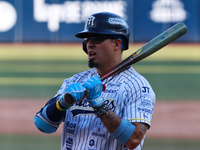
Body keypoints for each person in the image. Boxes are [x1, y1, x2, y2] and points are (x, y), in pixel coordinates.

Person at [34, 12, 156, 150]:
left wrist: (99, 105)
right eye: (87, 39)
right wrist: (62, 103)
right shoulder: (76, 80)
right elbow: (43, 125)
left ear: (117, 44)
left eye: (97, 38)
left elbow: (134, 139)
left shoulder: (137, 86)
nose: (89, 44)